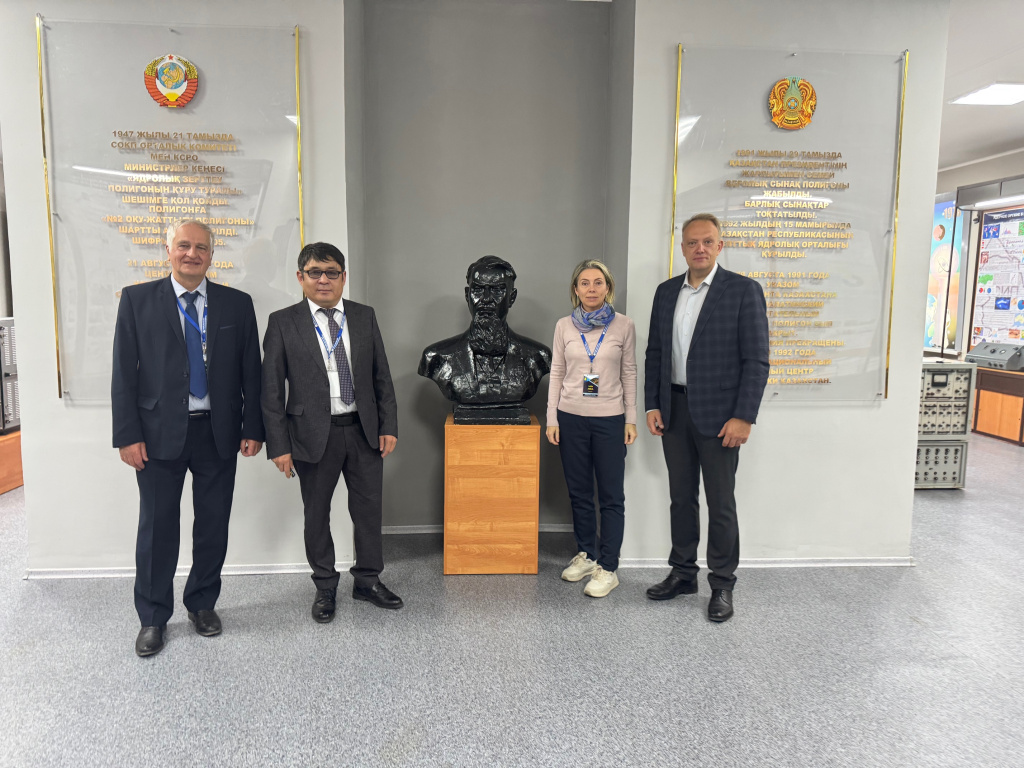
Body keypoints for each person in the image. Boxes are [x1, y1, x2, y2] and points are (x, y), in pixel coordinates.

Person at [112, 218, 265, 657]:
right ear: (168, 251)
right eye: (183, 245)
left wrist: (252, 427)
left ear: (212, 255)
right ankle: (153, 617)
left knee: (213, 524)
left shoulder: (237, 304)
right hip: (157, 434)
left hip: (218, 431)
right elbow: (123, 373)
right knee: (157, 528)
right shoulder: (138, 300)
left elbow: (251, 373)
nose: (192, 254)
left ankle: (202, 603)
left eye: (201, 247)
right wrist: (127, 435)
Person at [261, 242, 402, 622]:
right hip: (310, 435)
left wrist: (388, 424)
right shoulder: (283, 322)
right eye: (314, 273)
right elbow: (271, 391)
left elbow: (381, 376)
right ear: (300, 277)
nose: (323, 280)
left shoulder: (363, 316)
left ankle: (368, 580)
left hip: (363, 432)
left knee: (368, 512)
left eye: (332, 273)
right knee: (316, 514)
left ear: (343, 277)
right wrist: (278, 445)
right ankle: (325, 586)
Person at [644, 213, 769, 622]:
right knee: (681, 498)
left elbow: (756, 361)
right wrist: (653, 404)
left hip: (720, 417)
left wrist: (744, 416)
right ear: (682, 247)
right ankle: (683, 574)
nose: (699, 248)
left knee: (720, 502)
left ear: (719, 246)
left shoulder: (743, 291)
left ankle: (722, 584)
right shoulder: (666, 292)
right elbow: (655, 354)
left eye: (707, 241)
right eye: (692, 242)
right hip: (674, 410)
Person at [546, 260, 637, 597]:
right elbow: (557, 371)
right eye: (585, 283)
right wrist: (552, 418)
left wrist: (630, 418)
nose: (592, 289)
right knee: (579, 492)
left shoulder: (624, 325)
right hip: (570, 417)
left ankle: (608, 567)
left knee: (611, 496)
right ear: (576, 289)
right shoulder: (563, 326)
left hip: (610, 419)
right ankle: (587, 554)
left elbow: (629, 372)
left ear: (608, 288)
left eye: (598, 282)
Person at [419, 256, 551, 424]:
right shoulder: (437, 357)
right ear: (467, 295)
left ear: (512, 297)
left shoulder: (537, 357)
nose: (486, 299)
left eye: (497, 290)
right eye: (478, 289)